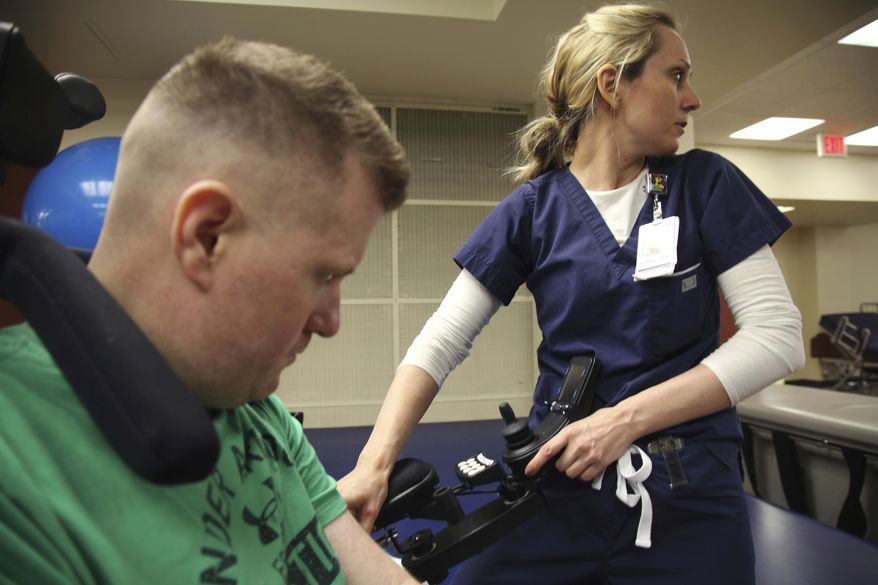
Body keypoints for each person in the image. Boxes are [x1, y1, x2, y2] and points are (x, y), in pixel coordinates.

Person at [339, 3, 805, 584]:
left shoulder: (706, 185)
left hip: (690, 498)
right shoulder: (533, 211)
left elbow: (778, 336)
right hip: (561, 485)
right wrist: (373, 464)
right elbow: (442, 338)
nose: (693, 99)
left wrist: (624, 420)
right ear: (613, 84)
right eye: (677, 75)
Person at [0, 37, 420, 585]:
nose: (331, 321)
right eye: (323, 275)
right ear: (206, 237)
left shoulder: (254, 407)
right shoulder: (15, 468)